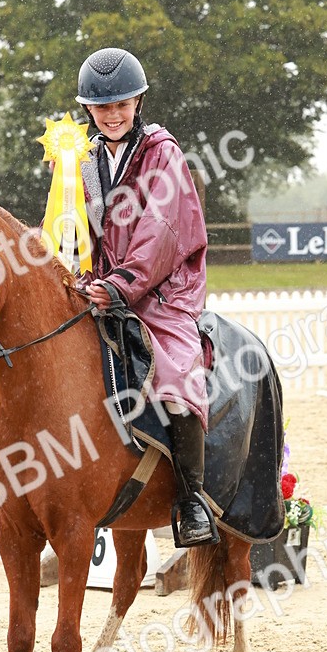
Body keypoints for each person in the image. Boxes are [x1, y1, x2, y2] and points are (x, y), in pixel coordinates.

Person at [74, 47, 212, 545]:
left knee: (175, 371)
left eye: (122, 105)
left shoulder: (162, 152)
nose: (112, 115)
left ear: (138, 102)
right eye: (102, 106)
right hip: (100, 283)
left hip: (161, 287)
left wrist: (120, 285)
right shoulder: (82, 159)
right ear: (88, 109)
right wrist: (71, 273)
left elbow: (160, 231)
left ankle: (192, 498)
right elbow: (70, 226)